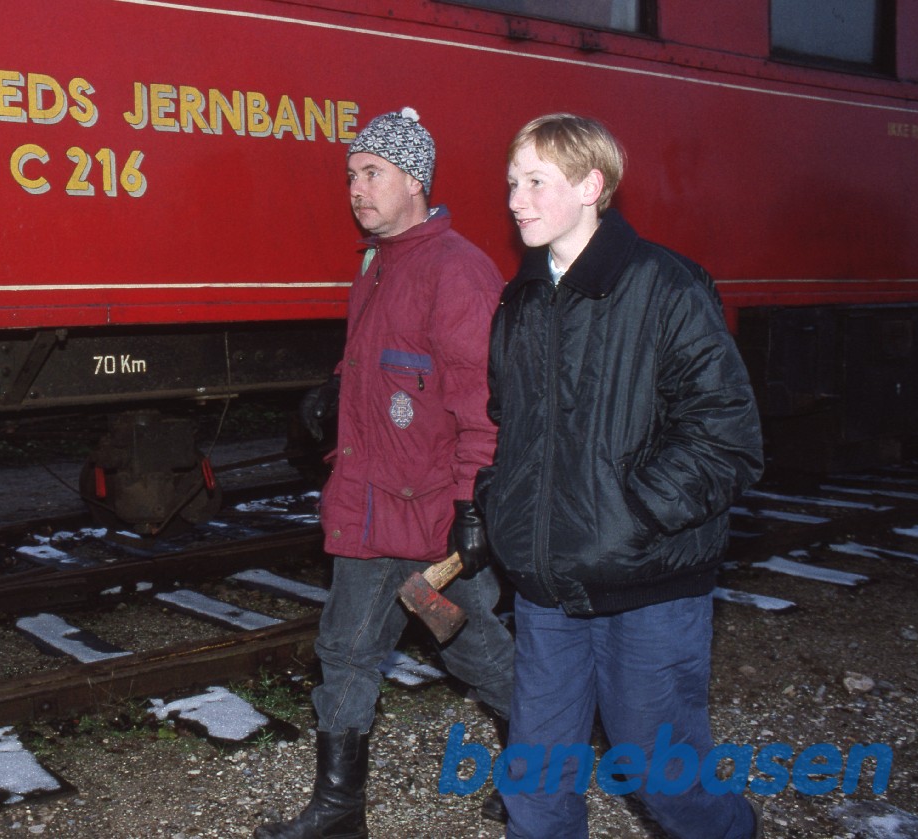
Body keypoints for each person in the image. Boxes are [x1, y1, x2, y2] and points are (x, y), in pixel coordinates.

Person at [475, 112, 765, 838]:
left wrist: (627, 514)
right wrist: (494, 505)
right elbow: (515, 433)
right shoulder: (520, 302)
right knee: (535, 791)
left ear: (591, 186)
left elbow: (728, 435)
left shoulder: (663, 287)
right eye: (513, 182)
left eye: (536, 182)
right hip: (547, 591)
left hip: (647, 585)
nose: (516, 200)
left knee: (661, 778)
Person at [255, 107, 515, 839]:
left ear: (413, 179)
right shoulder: (378, 265)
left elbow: (480, 405)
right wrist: (335, 393)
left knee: (472, 644)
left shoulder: (457, 270)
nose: (355, 189)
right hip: (371, 509)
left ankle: (539, 760)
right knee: (346, 649)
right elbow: (381, 366)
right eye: (351, 176)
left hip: (431, 524)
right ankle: (339, 811)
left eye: (371, 173)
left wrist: (473, 506)